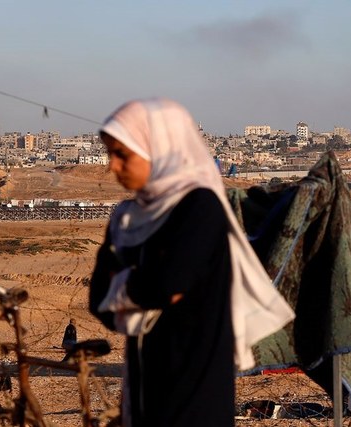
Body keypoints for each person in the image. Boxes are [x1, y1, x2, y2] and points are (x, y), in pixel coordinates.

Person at [89, 98, 294, 426]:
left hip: (194, 384)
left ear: (160, 151)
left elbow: (168, 283)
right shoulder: (127, 218)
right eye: (109, 154)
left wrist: (124, 284)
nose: (112, 166)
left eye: (122, 155)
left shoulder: (199, 207)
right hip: (143, 383)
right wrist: (143, 287)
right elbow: (99, 301)